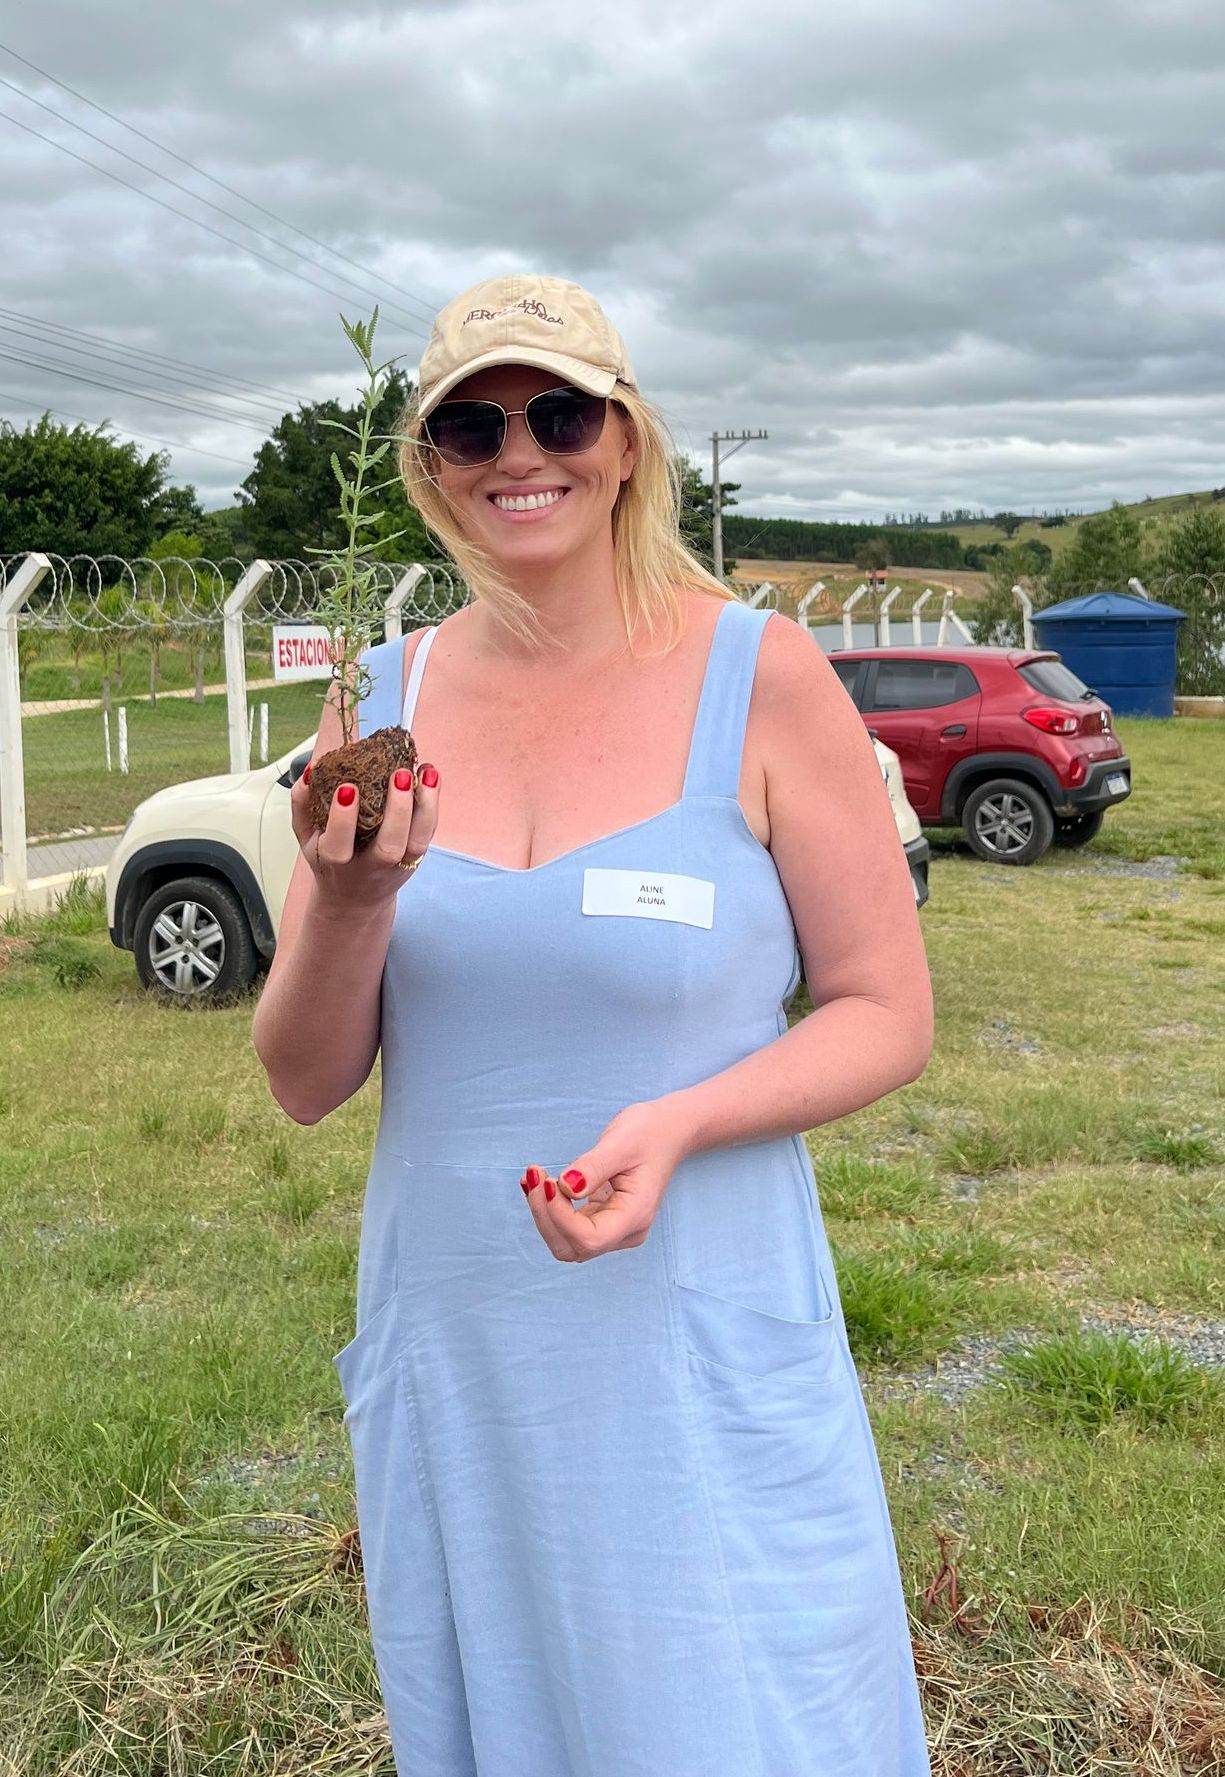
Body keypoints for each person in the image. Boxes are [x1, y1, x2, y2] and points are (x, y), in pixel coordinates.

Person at [252, 272, 935, 1777]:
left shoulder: (760, 673)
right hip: (465, 1338)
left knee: (739, 1713)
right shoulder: (383, 694)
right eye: (469, 423)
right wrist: (349, 897)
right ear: (427, 461)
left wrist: (682, 1117)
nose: (518, 453)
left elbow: (887, 1010)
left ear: (626, 439)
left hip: (696, 1323)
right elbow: (304, 1081)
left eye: (558, 411)